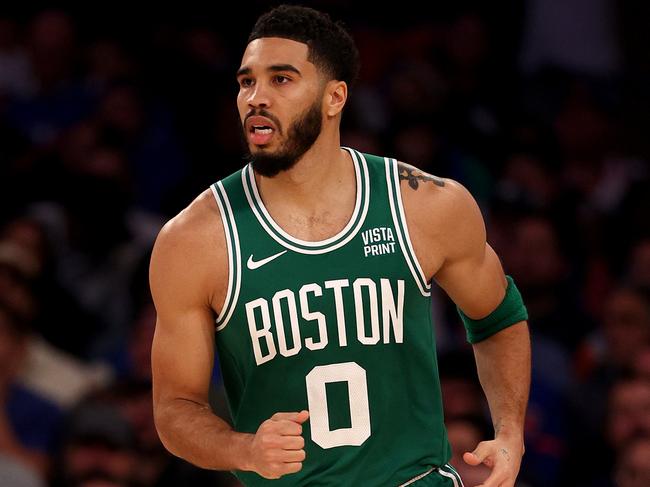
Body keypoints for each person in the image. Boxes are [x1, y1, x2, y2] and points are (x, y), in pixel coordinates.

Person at [150, 5, 531, 486]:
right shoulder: (195, 239)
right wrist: (243, 449)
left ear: (335, 97)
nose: (256, 98)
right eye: (247, 82)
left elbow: (497, 316)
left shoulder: (424, 205)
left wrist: (510, 432)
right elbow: (175, 409)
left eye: (281, 80)